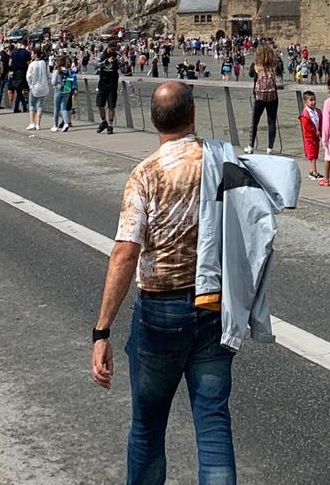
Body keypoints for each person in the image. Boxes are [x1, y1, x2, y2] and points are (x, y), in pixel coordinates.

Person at [91, 82, 238, 485]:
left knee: (148, 425)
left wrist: (102, 329)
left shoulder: (146, 175)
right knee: (212, 425)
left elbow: (125, 253)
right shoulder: (223, 162)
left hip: (160, 309)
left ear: (155, 122)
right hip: (214, 304)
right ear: (192, 116)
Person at [245, 43, 280, 155]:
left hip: (259, 97)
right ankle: (270, 148)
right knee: (271, 122)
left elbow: (250, 74)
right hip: (272, 97)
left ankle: (250, 147)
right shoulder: (273, 65)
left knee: (254, 122)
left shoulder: (255, 65)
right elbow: (280, 70)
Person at [96, 46, 120, 135]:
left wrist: (121, 61)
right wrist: (105, 62)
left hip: (112, 84)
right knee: (100, 104)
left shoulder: (117, 55)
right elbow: (96, 65)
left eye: (115, 49)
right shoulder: (102, 55)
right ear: (108, 48)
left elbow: (123, 68)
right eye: (112, 49)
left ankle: (110, 125)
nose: (113, 51)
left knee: (111, 106)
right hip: (103, 83)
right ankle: (103, 121)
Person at [299, 90, 322, 180]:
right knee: (311, 154)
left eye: (314, 100)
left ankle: (312, 171)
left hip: (316, 136)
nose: (313, 102)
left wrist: (319, 130)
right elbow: (306, 125)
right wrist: (315, 131)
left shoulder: (317, 111)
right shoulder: (305, 114)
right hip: (309, 137)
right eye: (311, 100)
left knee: (315, 153)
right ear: (305, 102)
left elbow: (320, 121)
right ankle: (314, 172)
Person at [26, 48, 50, 131]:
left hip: (35, 86)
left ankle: (32, 123)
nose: (31, 55)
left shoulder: (32, 64)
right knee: (40, 106)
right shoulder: (44, 63)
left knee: (32, 105)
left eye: (32, 54)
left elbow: (29, 76)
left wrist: (30, 85)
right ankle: (38, 124)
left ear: (36, 54)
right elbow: (48, 75)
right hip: (43, 86)